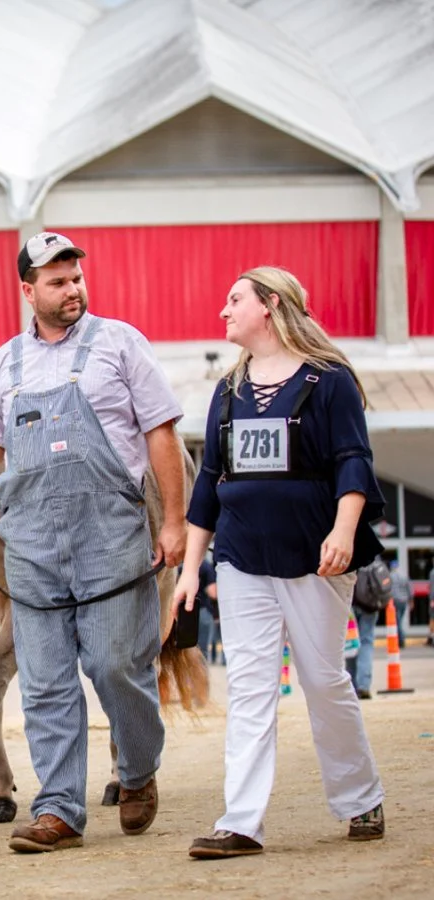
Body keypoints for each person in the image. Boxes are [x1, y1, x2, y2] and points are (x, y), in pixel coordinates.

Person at [0, 231, 186, 853]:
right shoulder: (8, 364)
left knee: (116, 664)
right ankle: (58, 808)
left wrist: (173, 524)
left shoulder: (121, 344)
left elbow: (162, 435)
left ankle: (137, 771)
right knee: (46, 681)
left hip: (110, 532)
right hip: (30, 538)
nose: (72, 289)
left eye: (76, 277)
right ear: (28, 290)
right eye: (57, 281)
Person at [175, 266, 386, 860]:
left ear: (269, 305)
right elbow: (210, 484)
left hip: (315, 557)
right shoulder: (226, 391)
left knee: (323, 680)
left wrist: (344, 531)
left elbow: (353, 461)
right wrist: (192, 569)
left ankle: (360, 796)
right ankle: (240, 822)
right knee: (249, 688)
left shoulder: (330, 381)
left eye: (234, 299)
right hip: (242, 558)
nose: (224, 311)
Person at [347, 557, 390, 700]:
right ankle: (363, 685)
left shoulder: (349, 557)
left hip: (351, 606)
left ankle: (352, 685)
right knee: (366, 643)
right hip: (370, 607)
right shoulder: (372, 559)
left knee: (352, 644)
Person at [389, 560, 412, 648]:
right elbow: (409, 589)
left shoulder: (390, 576)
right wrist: (411, 600)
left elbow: (390, 589)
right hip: (404, 601)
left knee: (397, 621)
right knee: (400, 620)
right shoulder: (404, 576)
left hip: (395, 600)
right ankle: (401, 638)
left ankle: (401, 639)